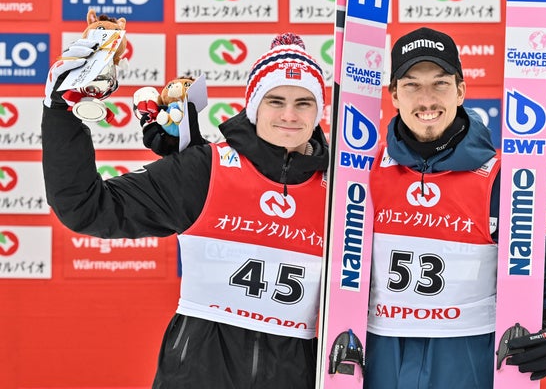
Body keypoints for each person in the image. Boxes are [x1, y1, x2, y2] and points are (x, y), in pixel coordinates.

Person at [42, 32, 330, 389]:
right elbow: (86, 207)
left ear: (319, 110)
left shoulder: (341, 192)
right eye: (275, 100)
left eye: (304, 102)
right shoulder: (206, 170)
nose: (289, 114)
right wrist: (61, 113)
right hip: (198, 373)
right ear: (254, 105)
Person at [363, 27, 546, 388]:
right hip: (382, 362)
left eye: (440, 84)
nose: (427, 100)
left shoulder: (499, 178)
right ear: (394, 96)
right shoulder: (364, 172)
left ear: (461, 90)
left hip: (468, 363)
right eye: (412, 85)